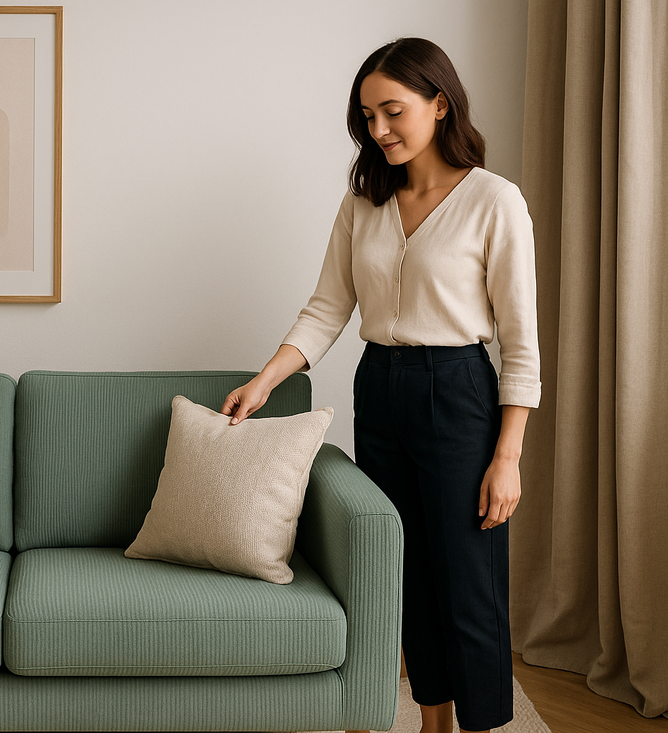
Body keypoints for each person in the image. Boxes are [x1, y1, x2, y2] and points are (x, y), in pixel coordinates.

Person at [221, 37, 540, 733]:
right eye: (367, 117)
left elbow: (521, 341)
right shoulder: (364, 200)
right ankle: (433, 719)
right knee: (407, 570)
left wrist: (507, 454)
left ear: (439, 103)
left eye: (392, 111)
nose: (378, 130)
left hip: (458, 389)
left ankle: (484, 723)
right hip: (383, 388)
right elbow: (328, 306)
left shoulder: (494, 200)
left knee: (469, 578)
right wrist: (267, 380)